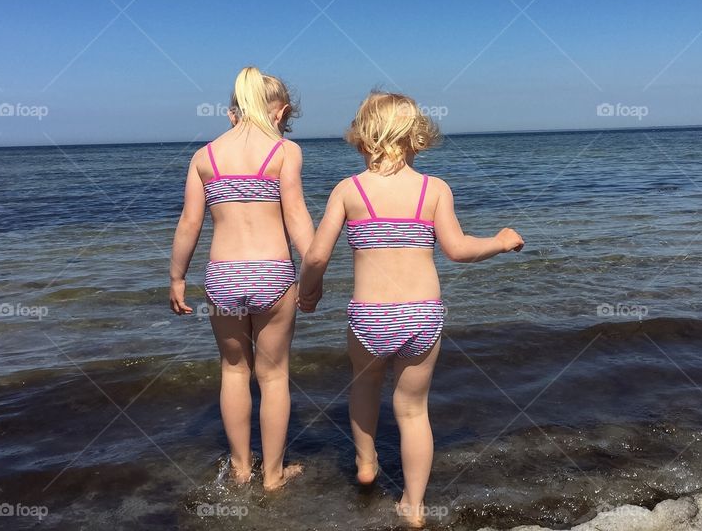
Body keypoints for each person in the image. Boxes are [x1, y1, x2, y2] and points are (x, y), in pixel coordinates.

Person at [298, 91, 524, 527]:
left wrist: (308, 291)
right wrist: (499, 241)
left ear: (362, 138)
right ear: (417, 139)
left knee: (364, 389)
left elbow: (315, 256)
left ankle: (366, 464)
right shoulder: (434, 190)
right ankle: (414, 506)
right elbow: (457, 250)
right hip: (421, 315)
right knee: (413, 411)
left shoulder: (349, 190)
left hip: (370, 315)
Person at [169, 67, 313, 490]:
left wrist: (176, 277)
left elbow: (188, 224)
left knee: (233, 371)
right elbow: (298, 219)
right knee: (273, 376)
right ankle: (272, 475)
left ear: (233, 113)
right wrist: (314, 269)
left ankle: (239, 468)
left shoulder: (204, 157)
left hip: (223, 277)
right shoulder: (284, 152)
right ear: (281, 111)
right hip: (272, 272)